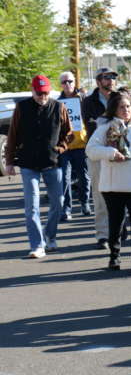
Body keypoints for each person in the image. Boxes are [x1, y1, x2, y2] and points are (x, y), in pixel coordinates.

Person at [4, 75, 70, 258]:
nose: (43, 97)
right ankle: (37, 245)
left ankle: (50, 236)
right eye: (39, 93)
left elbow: (68, 133)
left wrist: (60, 148)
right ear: (32, 91)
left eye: (46, 93)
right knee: (31, 206)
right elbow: (12, 135)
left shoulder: (59, 107)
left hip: (52, 162)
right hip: (28, 163)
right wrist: (9, 162)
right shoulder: (22, 107)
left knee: (58, 202)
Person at [86, 92, 131, 273]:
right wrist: (110, 153)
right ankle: (114, 258)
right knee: (116, 224)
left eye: (129, 106)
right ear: (114, 109)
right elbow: (90, 150)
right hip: (113, 185)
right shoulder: (105, 127)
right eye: (122, 107)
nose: (126, 110)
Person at [82, 67, 117, 249]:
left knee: (120, 192)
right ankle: (103, 234)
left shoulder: (120, 98)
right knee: (99, 194)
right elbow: (91, 125)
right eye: (106, 77)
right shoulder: (88, 101)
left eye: (113, 77)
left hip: (119, 152)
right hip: (97, 152)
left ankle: (118, 229)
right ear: (98, 81)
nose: (111, 80)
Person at [57, 71, 91, 220]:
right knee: (64, 179)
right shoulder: (57, 102)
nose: (67, 84)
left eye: (70, 81)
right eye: (64, 82)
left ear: (74, 82)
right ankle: (66, 209)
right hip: (65, 146)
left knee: (84, 177)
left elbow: (90, 119)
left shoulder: (83, 99)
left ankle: (85, 203)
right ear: (61, 85)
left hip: (82, 145)